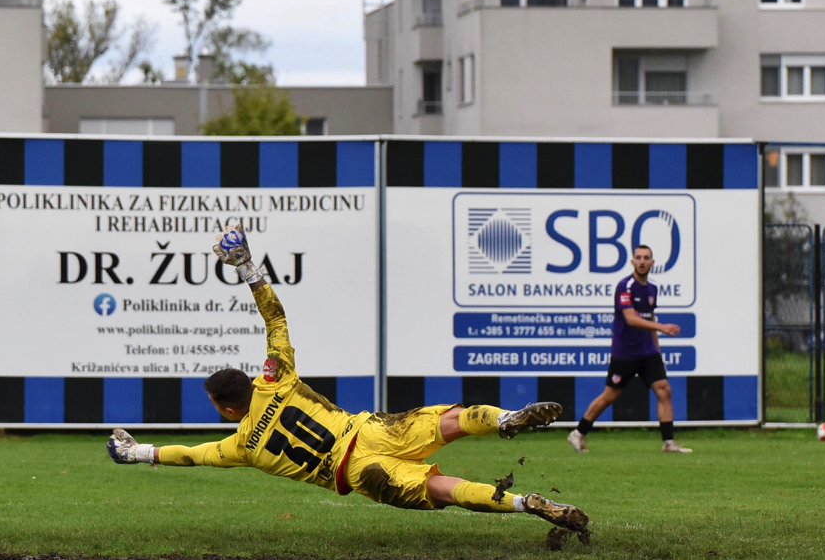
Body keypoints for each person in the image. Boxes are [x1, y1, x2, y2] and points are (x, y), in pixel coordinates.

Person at [107, 224, 588, 535]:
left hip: (357, 472)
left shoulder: (244, 445)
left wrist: (138, 453)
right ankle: (504, 419)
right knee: (452, 419)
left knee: (444, 489)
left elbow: (189, 455)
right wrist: (247, 265)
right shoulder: (276, 379)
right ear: (251, 383)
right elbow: (275, 318)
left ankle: (524, 503)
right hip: (367, 430)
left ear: (228, 409)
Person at [568, 244, 689, 453]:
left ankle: (668, 442)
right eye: (638, 258)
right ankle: (578, 433)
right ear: (632, 261)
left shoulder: (652, 288)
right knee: (610, 395)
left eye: (646, 258)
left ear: (652, 262)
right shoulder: (625, 286)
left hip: (648, 352)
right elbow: (631, 319)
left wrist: (656, 346)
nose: (642, 262)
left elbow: (649, 316)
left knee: (664, 390)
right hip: (625, 352)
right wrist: (662, 327)